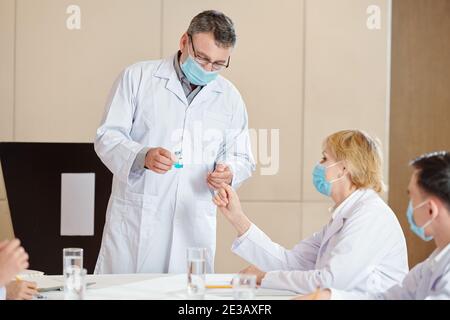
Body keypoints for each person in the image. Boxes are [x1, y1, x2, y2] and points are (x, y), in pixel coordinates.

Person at [94, 10, 254, 274]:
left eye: (218, 64)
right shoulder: (137, 78)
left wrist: (228, 172)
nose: (208, 69)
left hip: (193, 221)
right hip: (139, 219)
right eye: (202, 58)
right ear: (184, 42)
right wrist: (141, 156)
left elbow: (242, 156)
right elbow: (107, 137)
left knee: (187, 297)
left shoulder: (229, 97)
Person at [213, 130, 408, 294]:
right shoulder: (345, 216)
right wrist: (237, 218)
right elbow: (291, 263)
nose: (319, 165)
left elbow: (331, 281)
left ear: (343, 168)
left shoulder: (369, 215)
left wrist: (265, 278)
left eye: (325, 158)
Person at [297, 151, 450, 300]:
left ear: (431, 209)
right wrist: (331, 297)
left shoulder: (369, 213)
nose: (410, 207)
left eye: (412, 198)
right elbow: (390, 298)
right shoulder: (431, 265)